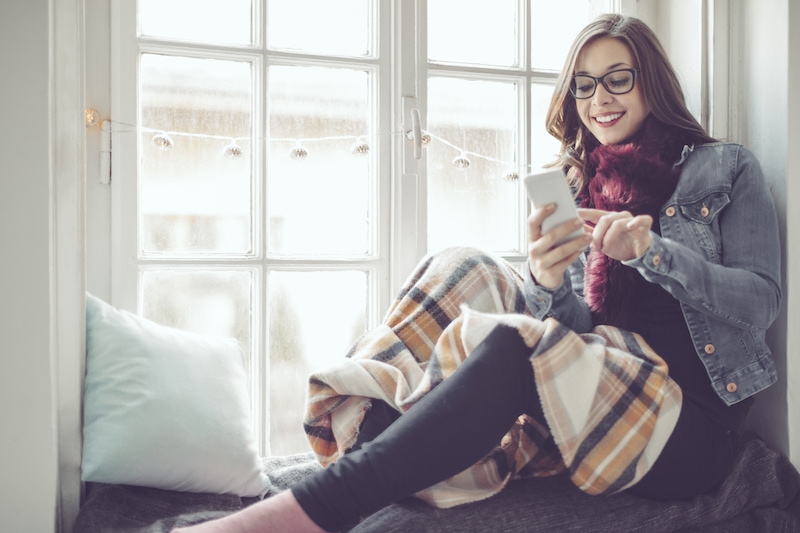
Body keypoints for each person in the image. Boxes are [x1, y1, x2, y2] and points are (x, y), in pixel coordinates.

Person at [174, 13, 781, 533]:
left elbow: (760, 304)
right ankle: (371, 431)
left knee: (515, 344)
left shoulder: (722, 168)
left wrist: (654, 255)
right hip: (599, 392)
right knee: (465, 263)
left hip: (686, 426)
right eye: (584, 85)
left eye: (618, 79)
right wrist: (546, 280)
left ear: (652, 82)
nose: (600, 100)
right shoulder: (575, 186)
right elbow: (572, 334)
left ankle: (320, 505)